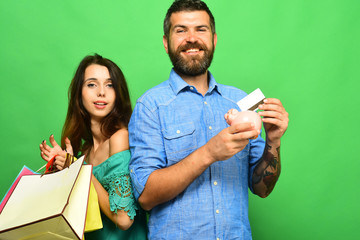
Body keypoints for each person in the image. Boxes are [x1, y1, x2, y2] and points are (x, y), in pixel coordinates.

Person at [128, 0, 289, 239]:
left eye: (200, 29)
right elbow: (146, 197)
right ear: (166, 43)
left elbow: (262, 188)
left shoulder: (240, 101)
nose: (191, 38)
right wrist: (209, 153)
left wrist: (273, 142)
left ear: (214, 40)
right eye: (180, 30)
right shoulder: (150, 106)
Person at [39, 54, 147, 240]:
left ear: (118, 93)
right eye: (91, 84)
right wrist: (62, 169)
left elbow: (123, 219)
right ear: (79, 93)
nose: (101, 92)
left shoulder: (120, 138)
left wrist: (79, 169)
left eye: (110, 84)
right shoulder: (85, 151)